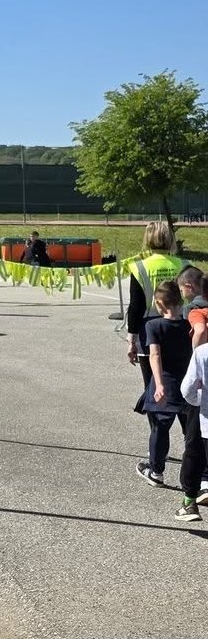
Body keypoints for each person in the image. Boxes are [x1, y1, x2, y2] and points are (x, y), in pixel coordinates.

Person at [137, 281, 193, 496]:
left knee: (160, 428)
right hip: (187, 385)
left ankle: (156, 471)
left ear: (159, 304)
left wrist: (159, 384)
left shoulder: (154, 326)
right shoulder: (189, 325)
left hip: (166, 385)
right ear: (181, 301)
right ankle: (198, 473)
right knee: (191, 432)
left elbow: (155, 355)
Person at [126, 222, 189, 393]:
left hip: (148, 330)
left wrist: (131, 340)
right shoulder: (184, 265)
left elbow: (136, 306)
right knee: (181, 384)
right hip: (179, 326)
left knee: (152, 386)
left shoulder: (139, 267)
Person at [175, 266, 208, 521]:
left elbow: (199, 331)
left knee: (193, 446)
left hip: (203, 402)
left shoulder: (196, 311)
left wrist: (196, 354)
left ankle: (189, 502)